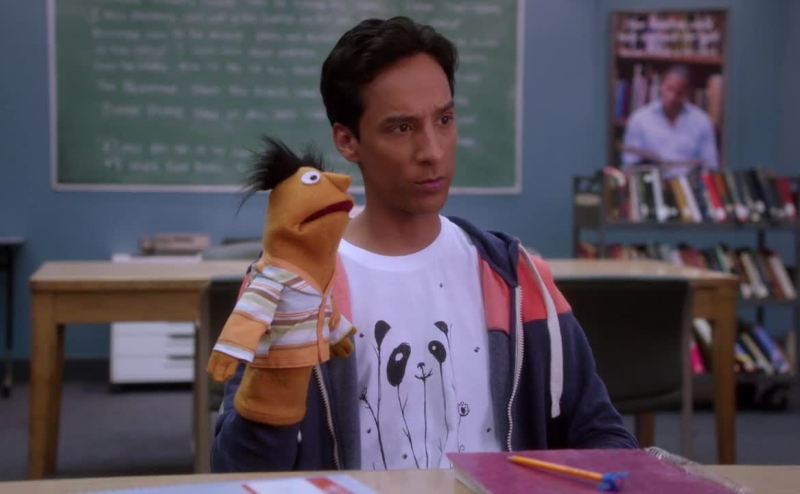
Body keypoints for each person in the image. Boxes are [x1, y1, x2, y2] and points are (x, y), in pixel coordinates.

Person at [211, 16, 636, 473]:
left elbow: (603, 434)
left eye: (445, 120)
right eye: (402, 128)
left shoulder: (513, 277)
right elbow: (238, 473)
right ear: (347, 141)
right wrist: (279, 372)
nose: (432, 151)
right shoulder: (296, 285)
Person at [622, 65, 719, 178]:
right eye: (669, 89)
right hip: (651, 181)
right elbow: (629, 164)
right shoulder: (639, 119)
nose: (672, 97)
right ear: (661, 86)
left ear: (687, 93)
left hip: (688, 184)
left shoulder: (702, 121)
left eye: (679, 93)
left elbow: (710, 166)